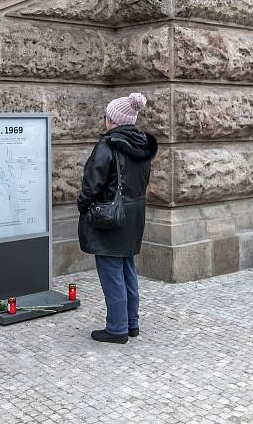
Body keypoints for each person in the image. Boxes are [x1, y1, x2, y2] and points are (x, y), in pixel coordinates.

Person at [77, 92, 157, 344]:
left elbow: (91, 186)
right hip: (133, 216)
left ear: (114, 120)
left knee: (112, 271)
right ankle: (131, 323)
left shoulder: (107, 146)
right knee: (126, 268)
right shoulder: (143, 145)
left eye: (107, 117)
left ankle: (117, 328)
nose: (105, 121)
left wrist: (83, 206)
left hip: (111, 218)